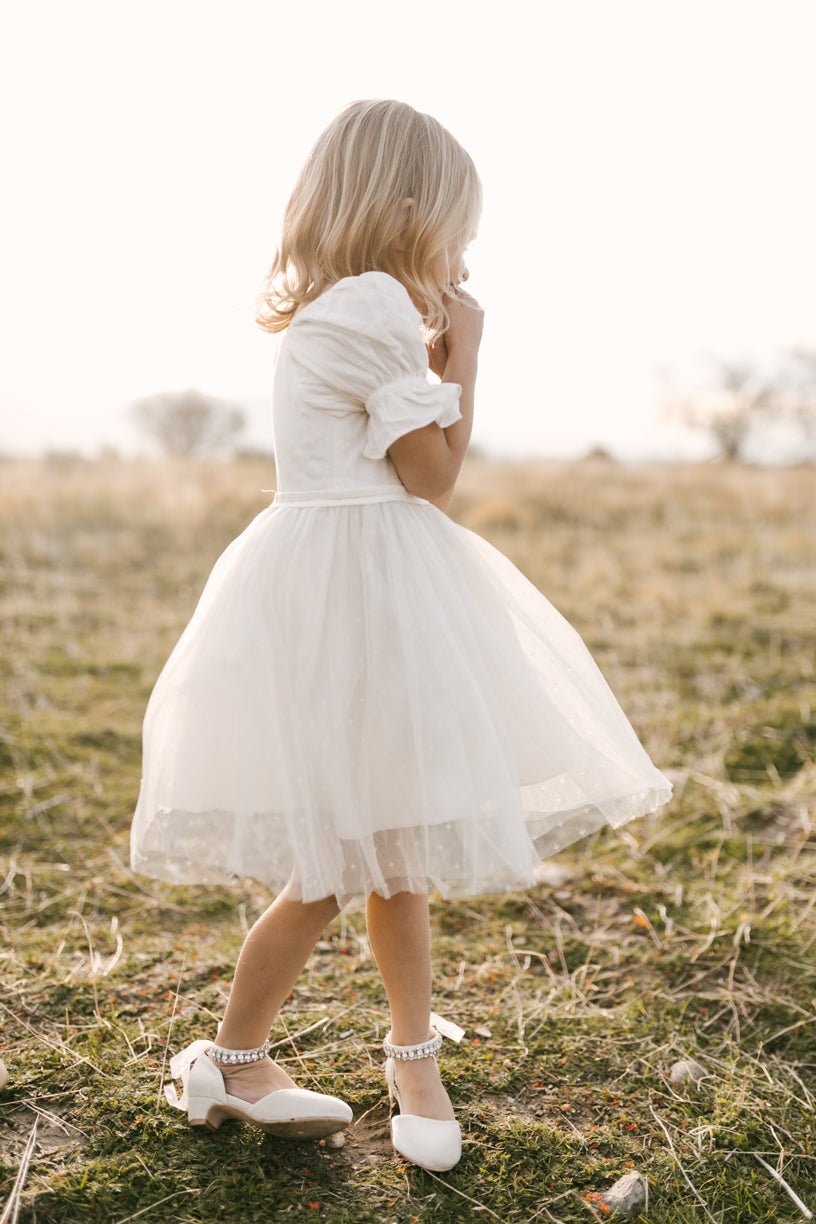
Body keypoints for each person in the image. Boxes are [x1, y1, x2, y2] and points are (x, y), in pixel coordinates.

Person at [130, 98, 674, 1174]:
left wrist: (425, 366)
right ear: (412, 208)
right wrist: (464, 353)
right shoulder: (376, 303)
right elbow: (432, 477)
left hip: (339, 585)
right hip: (360, 592)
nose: (466, 252)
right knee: (349, 858)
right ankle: (241, 1057)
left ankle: (399, 1055)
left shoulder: (341, 306)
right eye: (461, 227)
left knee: (390, 847)